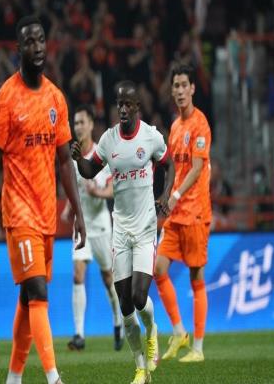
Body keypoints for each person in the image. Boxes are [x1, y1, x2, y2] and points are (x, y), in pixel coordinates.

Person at [0, 15, 86, 384]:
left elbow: (65, 161)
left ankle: (13, 378)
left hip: (46, 212)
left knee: (28, 297)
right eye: (29, 42)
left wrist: (78, 213)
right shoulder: (6, 98)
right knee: (38, 290)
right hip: (18, 211)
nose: (37, 47)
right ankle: (54, 378)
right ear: (18, 49)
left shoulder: (55, 97)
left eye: (41, 40)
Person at [71, 80, 175, 384]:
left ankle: (152, 331)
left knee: (140, 296)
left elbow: (168, 165)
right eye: (120, 105)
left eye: (128, 104)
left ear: (137, 106)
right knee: (125, 303)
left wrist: (165, 195)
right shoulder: (108, 140)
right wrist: (78, 159)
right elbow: (90, 170)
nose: (123, 109)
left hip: (144, 228)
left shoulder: (151, 137)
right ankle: (140, 367)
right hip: (120, 231)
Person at [154, 64, 212, 363]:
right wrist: (167, 196)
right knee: (158, 269)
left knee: (196, 276)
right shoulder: (175, 126)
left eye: (183, 85)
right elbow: (174, 169)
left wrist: (175, 196)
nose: (179, 91)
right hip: (176, 214)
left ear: (192, 89)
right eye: (175, 86)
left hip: (195, 212)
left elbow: (198, 168)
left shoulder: (200, 124)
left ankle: (198, 349)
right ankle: (179, 332)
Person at [60, 104, 123, 352]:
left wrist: (98, 192)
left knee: (108, 278)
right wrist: (69, 208)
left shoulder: (101, 155)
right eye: (75, 123)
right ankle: (79, 334)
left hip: (101, 225)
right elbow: (74, 188)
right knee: (78, 274)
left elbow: (112, 189)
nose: (78, 127)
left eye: (81, 122)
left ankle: (118, 320)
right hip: (81, 224)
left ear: (91, 125)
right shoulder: (72, 157)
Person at [252, 164, 274, 229]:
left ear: (261, 175)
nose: (254, 177)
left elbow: (266, 204)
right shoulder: (258, 188)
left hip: (266, 220)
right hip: (260, 219)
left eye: (256, 174)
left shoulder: (265, 188)